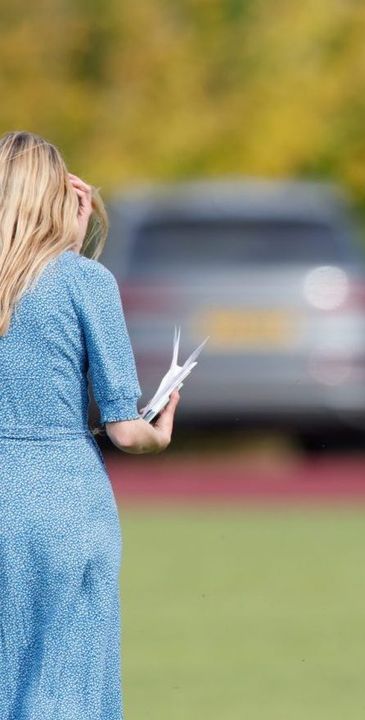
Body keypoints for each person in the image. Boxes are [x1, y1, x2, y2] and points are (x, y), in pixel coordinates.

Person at [0, 131, 180, 719]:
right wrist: (159, 430)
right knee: (69, 682)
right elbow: (126, 428)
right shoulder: (83, 282)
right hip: (64, 501)